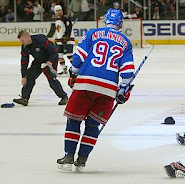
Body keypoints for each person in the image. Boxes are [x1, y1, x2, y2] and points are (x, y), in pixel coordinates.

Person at [57, 8, 135, 172]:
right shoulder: (125, 42)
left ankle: (69, 156)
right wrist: (123, 91)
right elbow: (128, 73)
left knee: (74, 120)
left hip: (86, 83)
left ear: (105, 20)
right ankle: (82, 159)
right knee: (93, 125)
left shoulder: (93, 33)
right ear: (120, 23)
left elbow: (78, 59)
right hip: (108, 90)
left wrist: (73, 74)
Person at [13, 30, 68, 106]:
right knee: (29, 77)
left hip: (50, 58)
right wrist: (24, 76)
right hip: (39, 60)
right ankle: (24, 98)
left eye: (22, 40)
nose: (22, 42)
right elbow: (24, 61)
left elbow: (54, 51)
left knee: (51, 78)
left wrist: (50, 61)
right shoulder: (25, 46)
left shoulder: (40, 39)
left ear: (28, 37)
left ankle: (64, 97)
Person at [54, 5, 75, 75]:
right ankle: (64, 69)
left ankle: (76, 70)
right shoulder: (57, 20)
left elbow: (69, 27)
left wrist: (66, 36)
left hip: (68, 40)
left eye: (59, 10)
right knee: (59, 55)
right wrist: (58, 38)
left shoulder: (65, 18)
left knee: (69, 55)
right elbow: (59, 30)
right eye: (57, 11)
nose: (58, 12)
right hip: (60, 41)